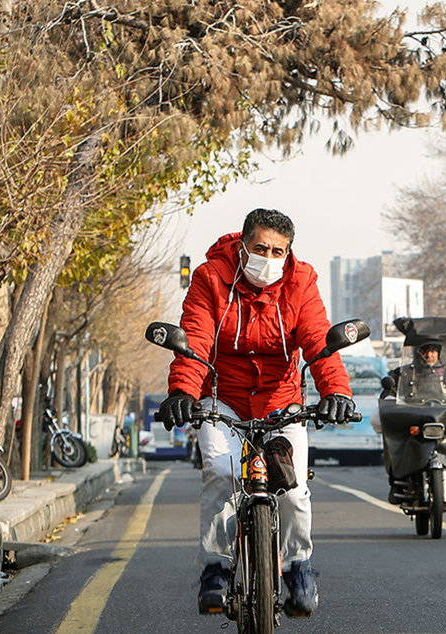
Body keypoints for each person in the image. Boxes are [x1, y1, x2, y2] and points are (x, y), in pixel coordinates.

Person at [157, 208, 355, 616]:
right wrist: (182, 391)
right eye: (260, 248)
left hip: (281, 400)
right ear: (242, 246)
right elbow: (194, 338)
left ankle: (298, 567)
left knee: (294, 488)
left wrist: (336, 391)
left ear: (289, 252)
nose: (269, 257)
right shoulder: (210, 277)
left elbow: (319, 343)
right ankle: (216, 567)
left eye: (278, 250)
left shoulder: (301, 282)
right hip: (221, 398)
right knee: (220, 471)